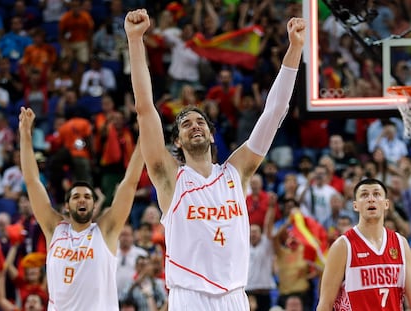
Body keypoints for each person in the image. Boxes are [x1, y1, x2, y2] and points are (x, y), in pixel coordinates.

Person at [125, 8, 306, 311]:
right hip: (189, 296)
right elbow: (145, 109)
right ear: (178, 142)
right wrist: (135, 40)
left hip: (235, 295)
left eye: (200, 122)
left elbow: (273, 113)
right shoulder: (170, 177)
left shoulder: (237, 171)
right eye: (185, 124)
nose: (194, 125)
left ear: (211, 135)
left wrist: (295, 49)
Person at [18, 106, 145, 310]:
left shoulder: (105, 231)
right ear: (67, 206)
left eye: (87, 197)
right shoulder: (54, 229)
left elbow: (129, 183)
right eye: (76, 197)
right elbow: (32, 181)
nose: (82, 200)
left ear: (95, 206)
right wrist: (25, 134)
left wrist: (142, 139)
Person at [316, 178, 411, 311]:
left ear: (386, 204)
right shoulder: (343, 246)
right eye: (364, 195)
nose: (371, 199)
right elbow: (325, 304)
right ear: (355, 205)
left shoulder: (401, 244)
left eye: (377, 194)